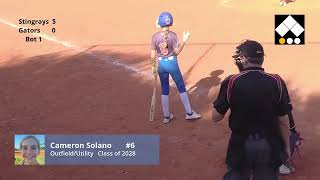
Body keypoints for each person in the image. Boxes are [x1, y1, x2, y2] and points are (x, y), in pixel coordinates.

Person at [212, 40, 292, 180]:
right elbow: (283, 120)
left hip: (240, 146)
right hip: (268, 145)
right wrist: (286, 146)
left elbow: (216, 116)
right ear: (261, 59)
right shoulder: (277, 81)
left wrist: (218, 96)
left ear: (243, 59)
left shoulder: (231, 81)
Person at [150, 12, 201, 124]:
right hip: (172, 64)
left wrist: (153, 66)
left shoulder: (155, 37)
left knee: (164, 89)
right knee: (181, 87)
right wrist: (184, 41)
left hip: (161, 65)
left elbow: (153, 54)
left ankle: (166, 116)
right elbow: (176, 52)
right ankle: (189, 113)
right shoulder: (173, 35)